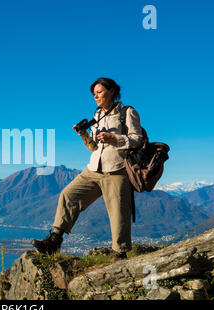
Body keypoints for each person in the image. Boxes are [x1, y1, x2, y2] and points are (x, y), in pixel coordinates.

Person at [32, 78, 143, 259]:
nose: (96, 96)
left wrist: (115, 139)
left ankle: (120, 254)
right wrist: (84, 134)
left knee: (118, 213)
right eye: (94, 94)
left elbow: (137, 139)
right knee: (68, 195)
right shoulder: (97, 115)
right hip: (93, 169)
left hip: (116, 169)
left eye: (99, 92)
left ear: (112, 91)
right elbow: (93, 147)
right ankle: (54, 241)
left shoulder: (127, 112)